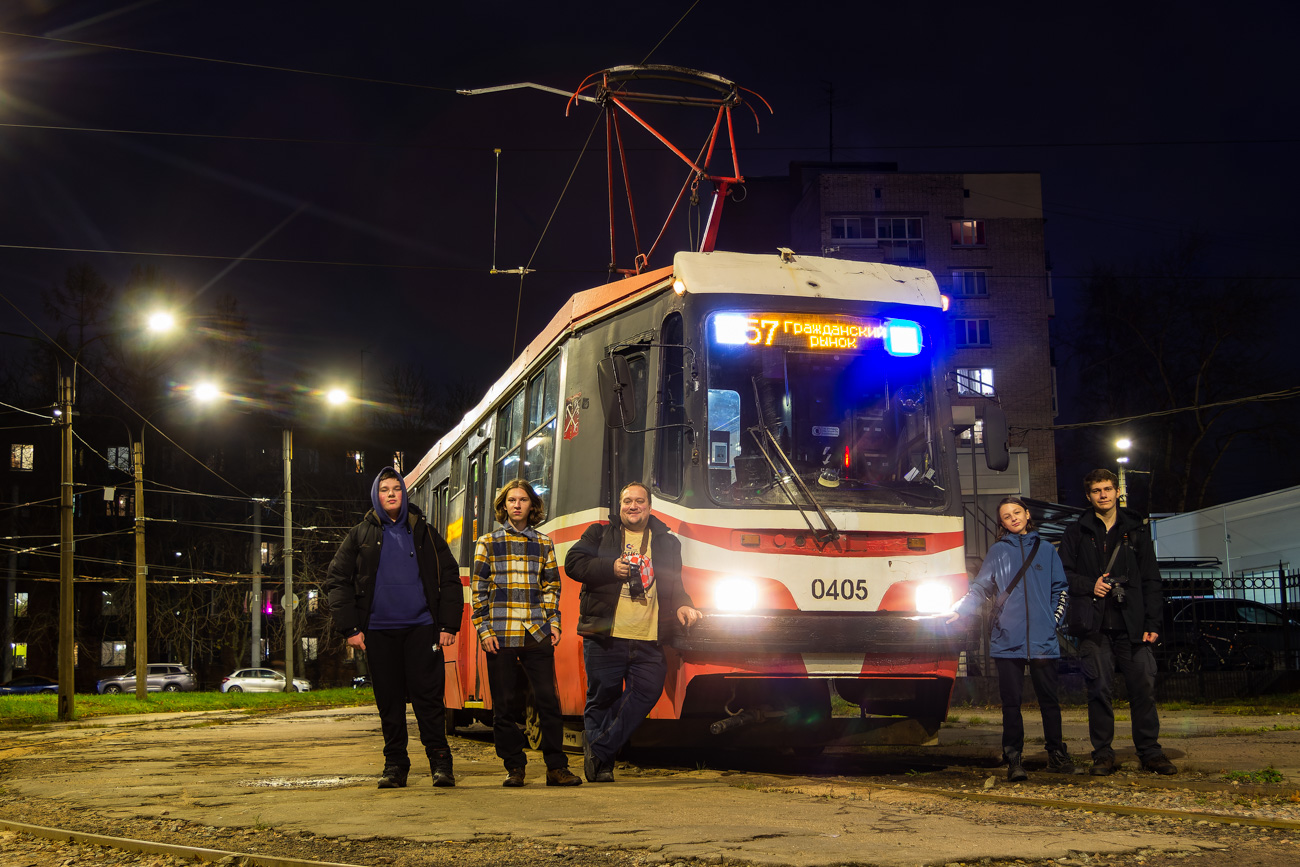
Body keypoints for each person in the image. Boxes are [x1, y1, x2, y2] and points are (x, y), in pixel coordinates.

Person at [325, 467, 463, 789]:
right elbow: (336, 581)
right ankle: (395, 766)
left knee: (429, 701)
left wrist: (447, 624)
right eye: (385, 489)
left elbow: (451, 578)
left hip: (422, 629)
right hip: (379, 633)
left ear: (404, 493)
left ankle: (441, 764)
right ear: (376, 495)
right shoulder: (360, 535)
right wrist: (350, 629)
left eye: (396, 489)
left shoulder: (425, 533)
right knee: (389, 702)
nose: (391, 494)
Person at [564, 482, 704, 782]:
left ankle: (599, 749)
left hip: (649, 637)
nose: (633, 506)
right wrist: (609, 568)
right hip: (606, 635)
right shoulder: (599, 534)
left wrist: (683, 604)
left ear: (649, 507)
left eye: (639, 501)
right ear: (620, 506)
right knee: (603, 698)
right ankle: (603, 766)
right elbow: (573, 564)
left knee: (648, 690)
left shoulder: (667, 543)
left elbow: (675, 584)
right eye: (627, 501)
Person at [947, 497, 1083, 781]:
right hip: (1007, 640)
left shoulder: (1046, 550)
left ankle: (1056, 755)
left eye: (1017, 512)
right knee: (1012, 704)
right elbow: (981, 588)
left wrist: (1052, 622)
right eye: (1007, 516)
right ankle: (1014, 759)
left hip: (1043, 641)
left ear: (1027, 514)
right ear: (1002, 523)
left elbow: (1060, 589)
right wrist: (961, 610)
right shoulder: (998, 551)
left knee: (1050, 702)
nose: (1013, 518)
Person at [1060, 469, 1177, 776]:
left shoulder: (1135, 529)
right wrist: (1089, 584)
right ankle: (1102, 754)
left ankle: (1150, 752)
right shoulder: (1076, 532)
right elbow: (1064, 576)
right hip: (1094, 627)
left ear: (1116, 492)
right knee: (1098, 690)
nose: (1103, 494)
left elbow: (1151, 578)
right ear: (1089, 496)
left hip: (1133, 625)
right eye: (1097, 490)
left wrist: (1153, 622)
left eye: (1108, 489)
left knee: (1144, 688)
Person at [471, 479, 582, 788]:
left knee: (548, 701)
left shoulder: (543, 543)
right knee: (504, 705)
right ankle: (514, 767)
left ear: (532, 506)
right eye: (511, 500)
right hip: (500, 632)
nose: (517, 505)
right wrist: (483, 630)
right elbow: (478, 592)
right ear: (504, 506)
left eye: (522, 500)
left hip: (536, 633)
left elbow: (551, 587)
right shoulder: (487, 543)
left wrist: (554, 625)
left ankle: (556, 768)